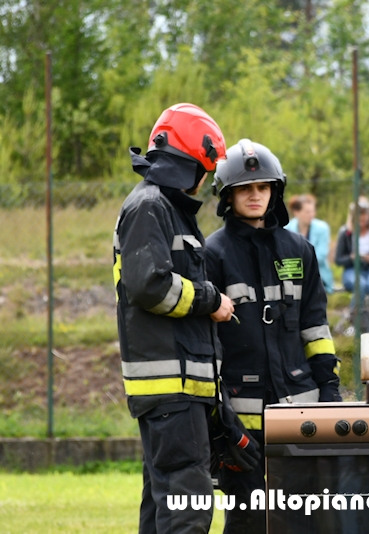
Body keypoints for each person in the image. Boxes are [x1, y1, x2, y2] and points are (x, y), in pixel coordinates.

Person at [113, 103, 243, 533]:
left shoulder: (164, 208)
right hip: (171, 390)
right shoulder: (149, 207)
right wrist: (211, 299)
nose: (205, 181)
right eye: (205, 169)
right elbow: (149, 286)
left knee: (161, 507)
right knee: (187, 509)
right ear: (191, 165)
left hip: (179, 389)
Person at [205, 139, 342, 534]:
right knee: (246, 521)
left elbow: (315, 327)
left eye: (262, 187)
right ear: (227, 195)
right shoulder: (212, 254)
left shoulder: (300, 251)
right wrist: (220, 420)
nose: (254, 195)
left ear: (274, 191)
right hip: (240, 424)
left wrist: (329, 391)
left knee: (305, 519)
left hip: (302, 414)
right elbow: (208, 344)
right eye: (245, 188)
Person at [334, 196, 369, 333]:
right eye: (359, 213)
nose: (363, 217)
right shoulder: (345, 233)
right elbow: (338, 260)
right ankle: (354, 325)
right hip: (352, 269)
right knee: (360, 285)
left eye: (365, 213)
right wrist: (351, 258)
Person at [284, 193, 334, 294]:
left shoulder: (322, 228)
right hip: (292, 275)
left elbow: (321, 255)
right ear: (296, 212)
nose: (311, 215)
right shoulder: (286, 229)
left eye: (313, 211)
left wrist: (297, 264)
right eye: (307, 212)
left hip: (318, 275)